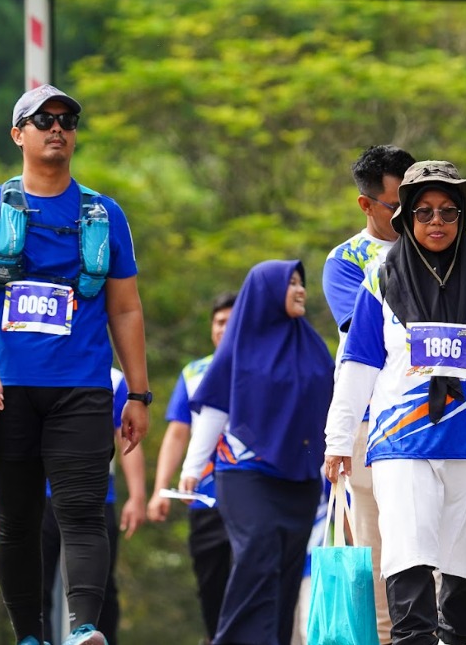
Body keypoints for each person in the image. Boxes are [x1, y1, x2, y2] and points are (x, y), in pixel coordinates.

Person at [0, 84, 150, 645]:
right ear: (19, 134)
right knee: (17, 522)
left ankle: (85, 628)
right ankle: (29, 635)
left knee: (83, 512)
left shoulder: (105, 214)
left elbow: (127, 307)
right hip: (5, 388)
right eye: (43, 119)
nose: (57, 127)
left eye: (68, 118)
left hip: (81, 389)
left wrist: (138, 394)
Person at [322, 160, 466, 645]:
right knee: (408, 556)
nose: (436, 222)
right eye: (424, 212)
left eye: (448, 212)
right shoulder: (379, 278)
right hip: (401, 444)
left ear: (464, 218)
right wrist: (338, 440)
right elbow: (358, 364)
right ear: (407, 218)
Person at [179, 260, 333, 645]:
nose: (301, 290)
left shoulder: (311, 345)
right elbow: (214, 407)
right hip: (246, 474)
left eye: (302, 283)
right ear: (267, 290)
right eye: (291, 283)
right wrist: (193, 466)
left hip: (300, 480)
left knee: (285, 570)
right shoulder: (239, 346)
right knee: (257, 555)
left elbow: (332, 405)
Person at [321, 144, 416, 645]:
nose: (413, 217)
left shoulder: (450, 252)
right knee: (377, 550)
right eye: (398, 205)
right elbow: (370, 336)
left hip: (435, 417)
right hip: (369, 421)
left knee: (437, 545)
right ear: (366, 204)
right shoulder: (346, 261)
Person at [0, 367, 147, 645]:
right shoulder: (26, 364)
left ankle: (95, 638)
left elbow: (126, 437)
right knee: (38, 580)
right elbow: (13, 453)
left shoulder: (115, 378)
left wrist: (138, 495)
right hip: (38, 496)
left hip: (94, 498)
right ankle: (36, 638)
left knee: (101, 584)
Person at [146, 291, 236, 643]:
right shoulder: (193, 373)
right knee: (210, 582)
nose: (224, 328)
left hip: (255, 492)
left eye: (231, 321)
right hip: (203, 497)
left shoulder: (262, 365)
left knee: (254, 578)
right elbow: (177, 432)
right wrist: (159, 490)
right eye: (218, 322)